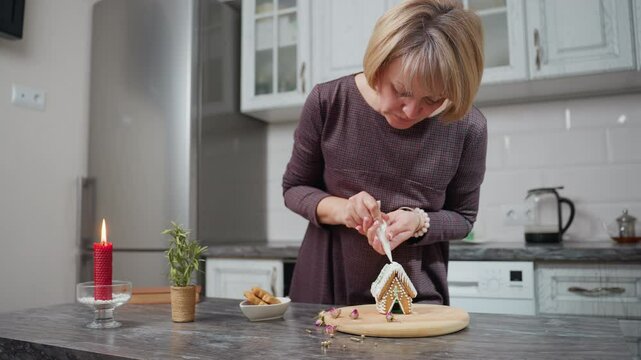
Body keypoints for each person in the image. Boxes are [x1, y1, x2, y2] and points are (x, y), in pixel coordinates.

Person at [282, 0, 486, 306]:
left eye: (433, 99)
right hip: (326, 292)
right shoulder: (328, 102)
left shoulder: (468, 127)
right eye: (401, 90)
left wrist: (419, 221)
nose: (412, 110)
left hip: (418, 300)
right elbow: (294, 189)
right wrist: (344, 210)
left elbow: (464, 218)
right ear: (378, 63)